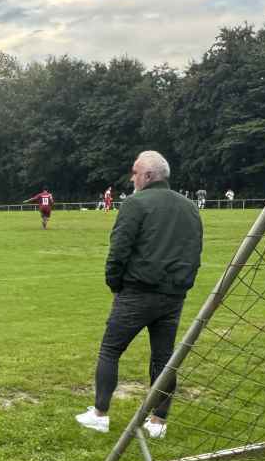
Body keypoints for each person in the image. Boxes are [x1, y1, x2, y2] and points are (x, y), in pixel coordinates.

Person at [76, 151, 203, 439]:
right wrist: (182, 285)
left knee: (110, 350)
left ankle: (100, 414)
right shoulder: (189, 207)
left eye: (135, 172)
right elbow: (194, 250)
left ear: (148, 175)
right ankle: (158, 422)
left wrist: (115, 284)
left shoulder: (135, 204)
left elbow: (119, 249)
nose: (131, 178)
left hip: (137, 291)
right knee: (164, 359)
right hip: (173, 296)